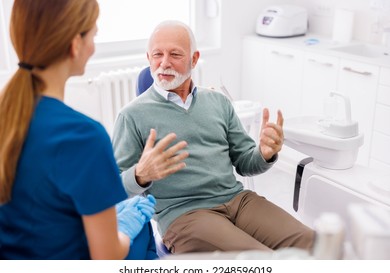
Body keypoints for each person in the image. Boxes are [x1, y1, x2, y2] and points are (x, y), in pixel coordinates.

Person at [112, 20, 315, 254]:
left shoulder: (217, 102)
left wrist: (265, 153)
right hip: (184, 215)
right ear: (148, 58)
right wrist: (139, 175)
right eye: (157, 54)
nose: (164, 63)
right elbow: (112, 189)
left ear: (194, 59)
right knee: (262, 263)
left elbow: (246, 163)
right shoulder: (132, 116)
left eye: (175, 54)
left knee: (314, 244)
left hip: (238, 201)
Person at [0, 0, 170, 260]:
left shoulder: (9, 116)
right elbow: (106, 258)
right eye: (94, 34)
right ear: (75, 44)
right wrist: (124, 228)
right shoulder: (83, 136)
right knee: (143, 226)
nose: (94, 45)